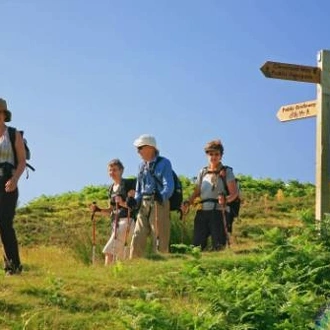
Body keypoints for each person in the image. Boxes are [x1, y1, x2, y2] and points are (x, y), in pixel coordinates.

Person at [182, 139, 239, 251]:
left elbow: (234, 193)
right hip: (202, 211)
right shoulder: (202, 172)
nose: (213, 157)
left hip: (219, 211)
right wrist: (188, 202)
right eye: (211, 154)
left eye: (216, 154)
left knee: (218, 244)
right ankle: (196, 266)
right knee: (197, 244)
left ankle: (219, 266)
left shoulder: (226, 171)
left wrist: (225, 200)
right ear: (207, 155)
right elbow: (197, 191)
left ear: (221, 156)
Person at [130, 134, 174, 258]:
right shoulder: (141, 166)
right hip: (144, 203)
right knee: (138, 235)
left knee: (159, 236)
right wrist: (134, 201)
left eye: (140, 147)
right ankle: (134, 265)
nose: (138, 151)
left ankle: (161, 263)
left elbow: (169, 184)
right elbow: (139, 188)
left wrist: (162, 196)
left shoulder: (164, 163)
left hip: (159, 203)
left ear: (150, 147)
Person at [90, 159, 136, 264]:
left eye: (115, 170)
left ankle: (106, 275)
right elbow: (111, 210)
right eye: (110, 170)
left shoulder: (129, 184)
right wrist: (98, 210)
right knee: (119, 256)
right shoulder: (110, 189)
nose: (112, 173)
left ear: (121, 170)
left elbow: (133, 206)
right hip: (116, 223)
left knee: (109, 251)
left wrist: (122, 202)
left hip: (127, 222)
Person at [0, 98, 25, 275]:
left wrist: (15, 179)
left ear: (3, 114)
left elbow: (22, 161)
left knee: (5, 224)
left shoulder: (13, 134)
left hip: (8, 182)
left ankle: (14, 266)